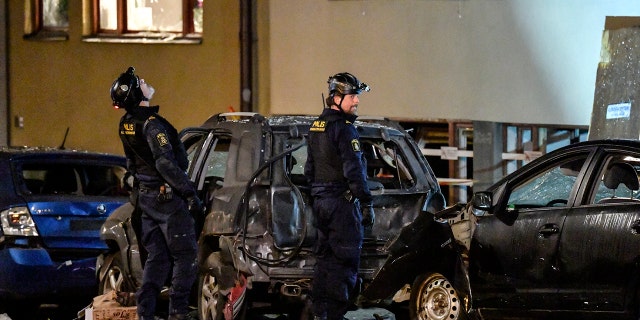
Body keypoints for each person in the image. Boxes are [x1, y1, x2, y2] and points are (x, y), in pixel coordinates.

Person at [110, 66, 203, 320]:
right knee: (185, 255)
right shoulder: (152, 126)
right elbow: (164, 163)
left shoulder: (126, 124)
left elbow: (131, 163)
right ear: (136, 94)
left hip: (147, 200)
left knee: (158, 257)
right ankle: (178, 313)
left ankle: (145, 313)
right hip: (167, 201)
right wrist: (188, 192)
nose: (145, 81)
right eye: (140, 81)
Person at [304, 72, 375, 320]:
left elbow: (309, 170)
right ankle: (335, 315)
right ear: (336, 97)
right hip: (341, 207)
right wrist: (365, 202)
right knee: (344, 263)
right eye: (353, 96)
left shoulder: (316, 127)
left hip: (321, 204)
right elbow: (354, 170)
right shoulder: (345, 130)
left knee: (324, 263)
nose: (356, 101)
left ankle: (319, 314)